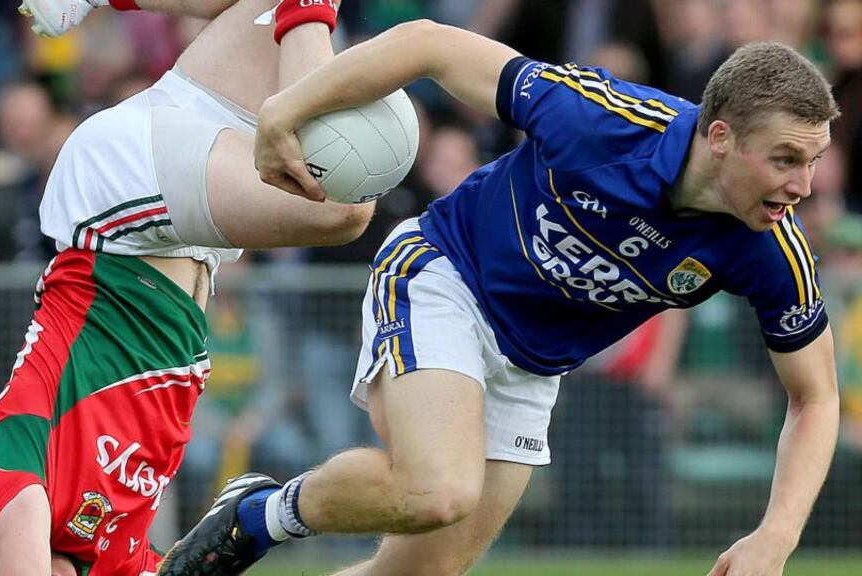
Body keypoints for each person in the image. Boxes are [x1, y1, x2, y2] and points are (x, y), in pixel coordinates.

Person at [170, 20, 842, 576]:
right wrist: (290, 107)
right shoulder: (602, 121)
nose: (804, 185)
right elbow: (430, 44)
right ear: (719, 137)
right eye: (786, 159)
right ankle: (259, 516)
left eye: (813, 161)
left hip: (531, 365)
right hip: (447, 276)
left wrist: (776, 535)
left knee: (416, 573)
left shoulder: (770, 248)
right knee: (437, 490)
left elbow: (815, 397)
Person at [0, 0, 367, 574]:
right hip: (176, 225)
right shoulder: (114, 561)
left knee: (343, 206)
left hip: (117, 213)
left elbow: (25, 551)